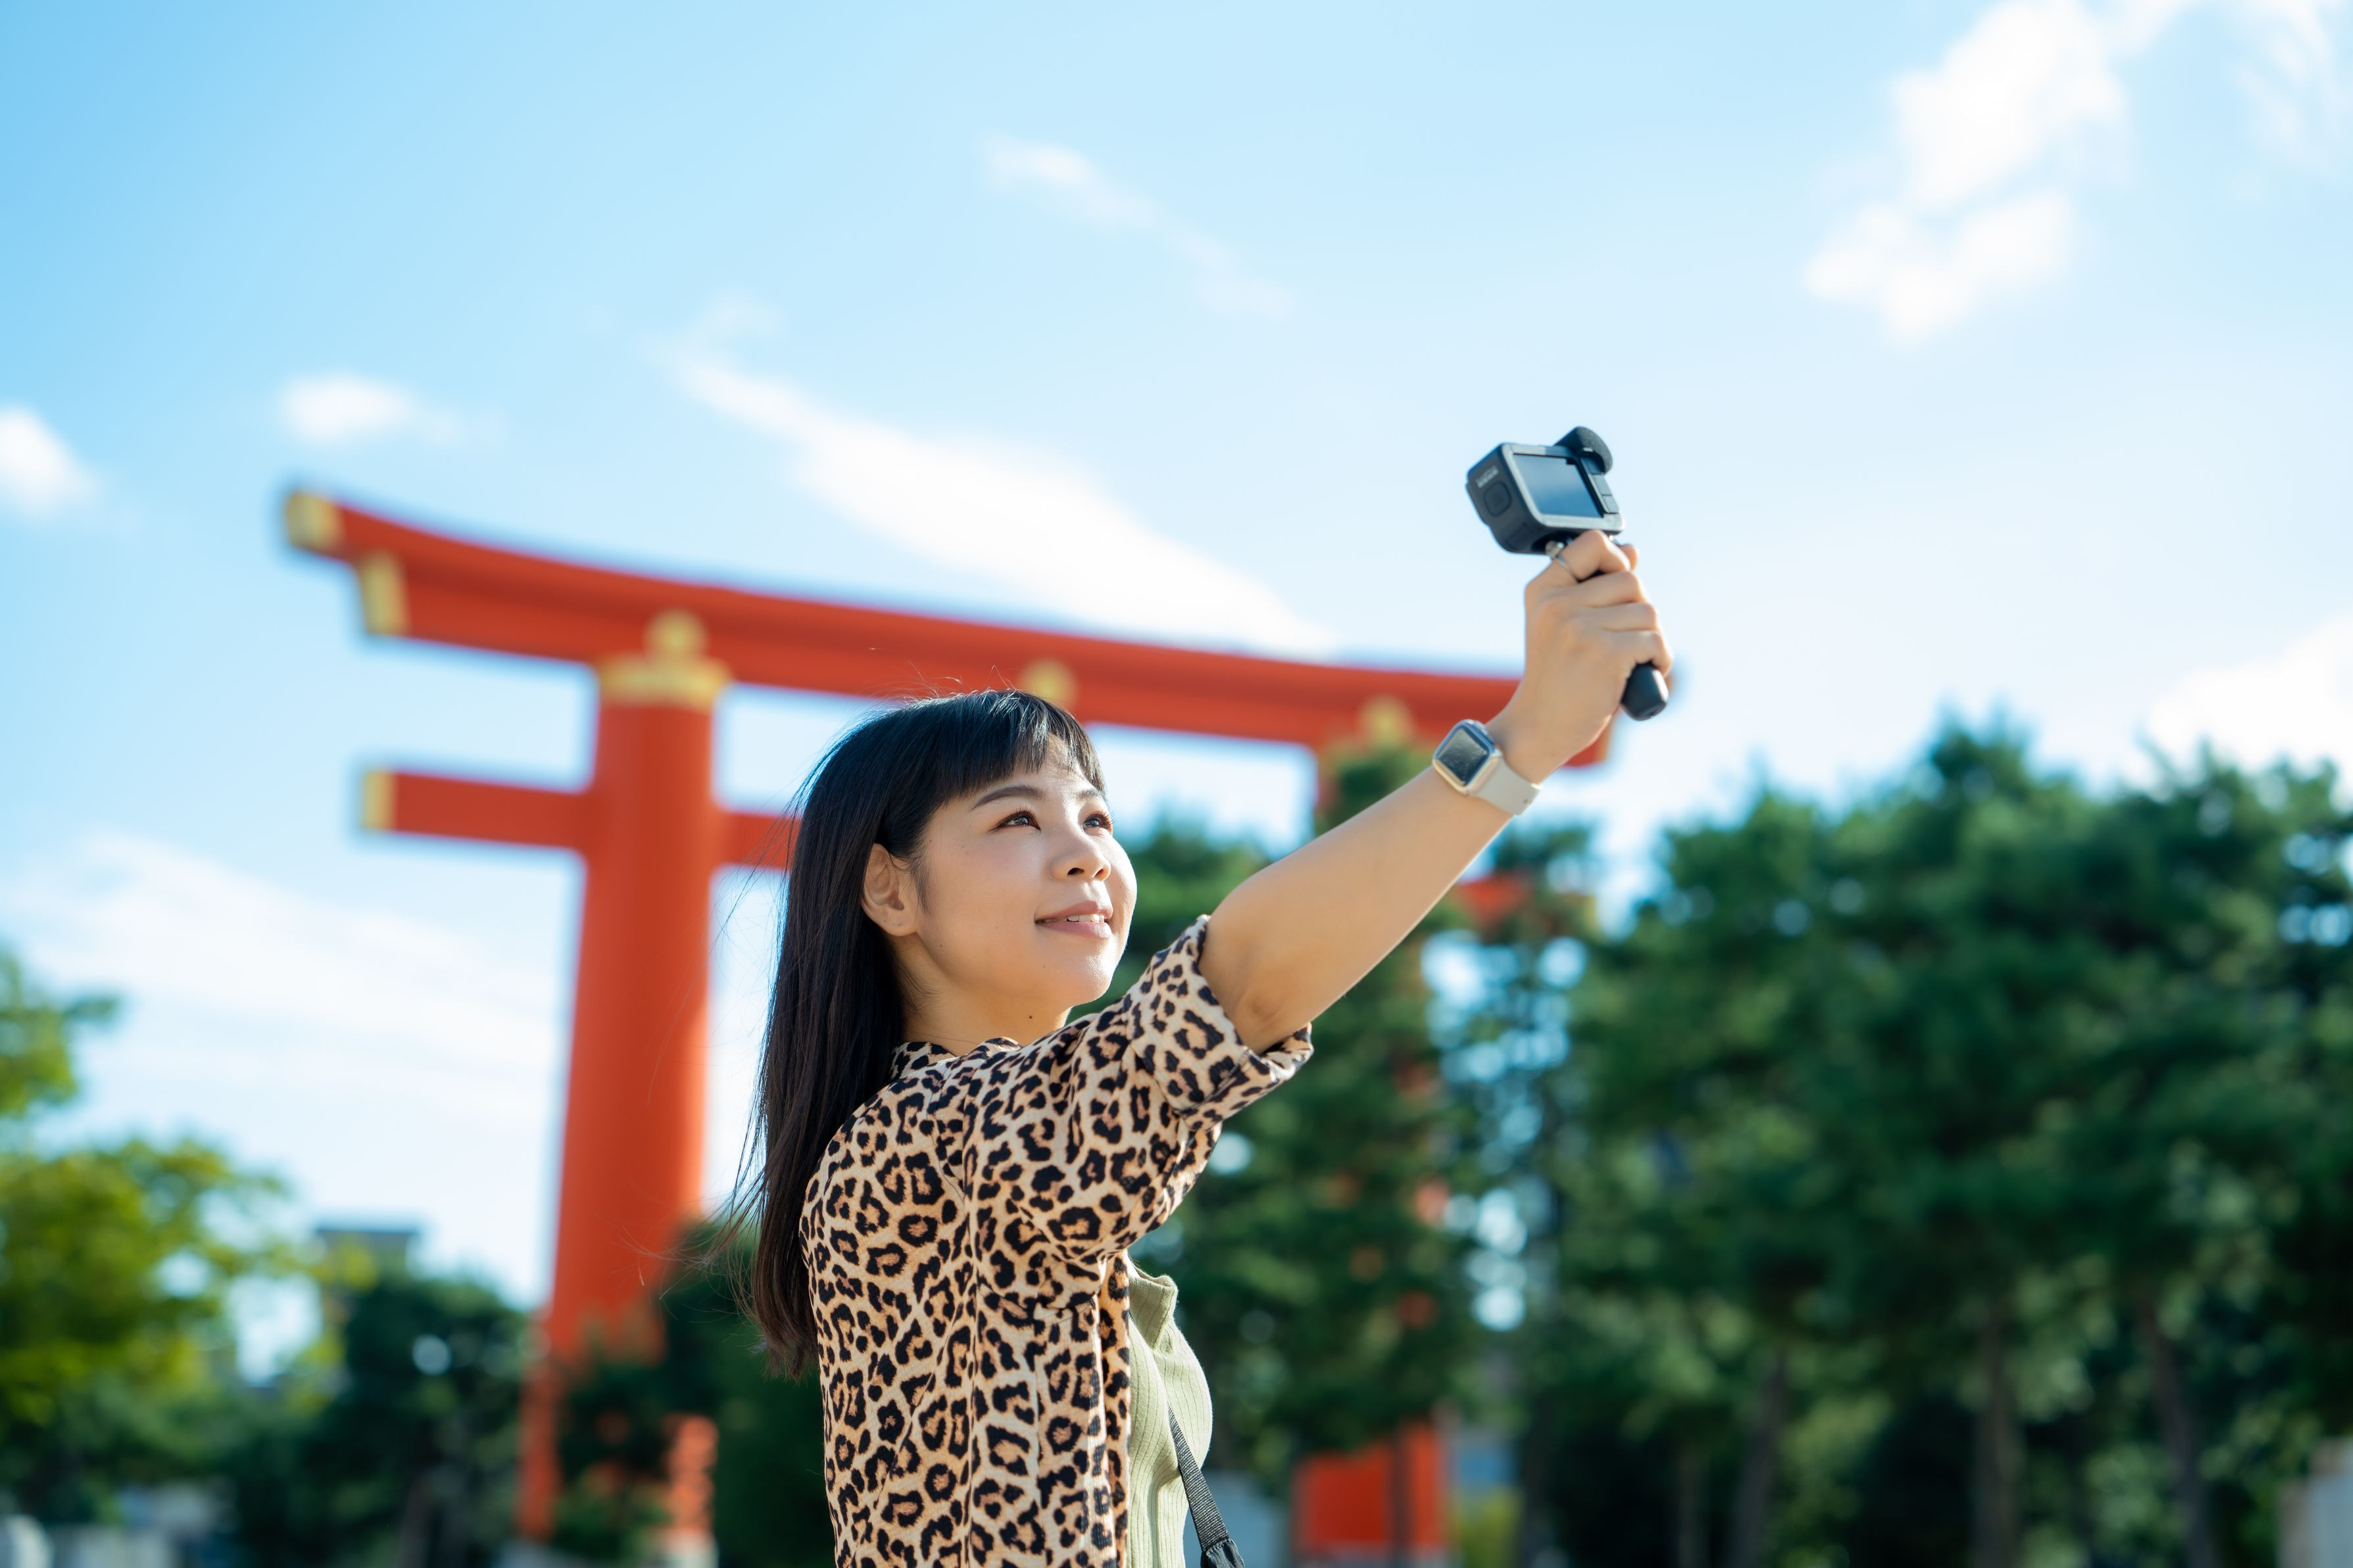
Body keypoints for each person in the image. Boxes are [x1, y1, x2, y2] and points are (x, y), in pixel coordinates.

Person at [723, 531, 1670, 1568]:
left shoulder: (1002, 1143)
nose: (1086, 853)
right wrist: (1522, 739)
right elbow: (1236, 988)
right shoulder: (918, 1141)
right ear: (889, 888)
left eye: (1096, 817)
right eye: (1016, 820)